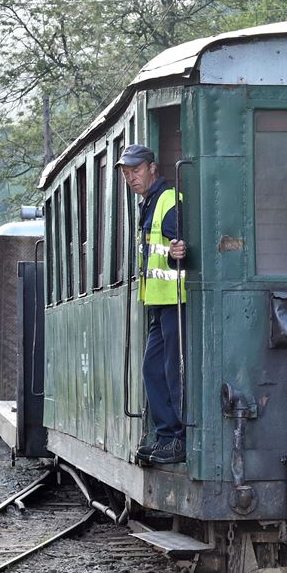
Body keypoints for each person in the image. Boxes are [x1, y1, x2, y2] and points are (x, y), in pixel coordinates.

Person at [119, 144, 189, 465]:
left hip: (176, 300)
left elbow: (183, 244)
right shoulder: (148, 203)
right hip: (158, 302)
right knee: (152, 368)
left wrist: (180, 252)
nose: (131, 178)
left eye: (135, 171)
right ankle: (166, 436)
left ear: (152, 168)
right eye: (126, 173)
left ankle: (178, 440)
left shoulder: (168, 200)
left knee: (172, 371)